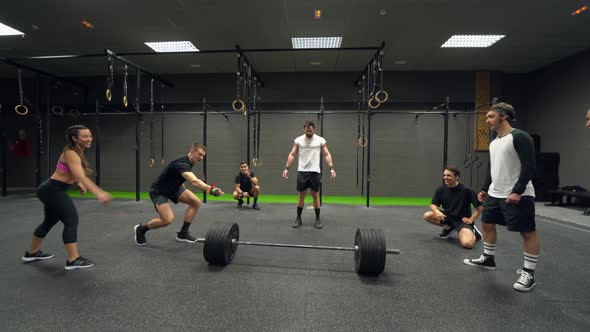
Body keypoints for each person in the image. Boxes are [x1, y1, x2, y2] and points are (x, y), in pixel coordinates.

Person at [463, 102, 539, 292]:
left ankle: (528, 273)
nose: (487, 120)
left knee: (527, 232)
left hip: (518, 194)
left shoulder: (520, 137)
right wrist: (485, 188)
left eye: (490, 117)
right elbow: (492, 168)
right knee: (487, 224)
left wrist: (517, 190)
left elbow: (530, 166)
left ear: (503, 116)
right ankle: (488, 259)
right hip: (495, 194)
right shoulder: (495, 141)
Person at [21, 125, 112, 270]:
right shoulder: (71, 153)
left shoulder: (77, 152)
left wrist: (80, 183)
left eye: (90, 135)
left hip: (51, 189)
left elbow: (72, 173)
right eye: (85, 136)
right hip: (53, 190)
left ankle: (32, 252)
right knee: (71, 220)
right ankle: (73, 260)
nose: (89, 139)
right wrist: (98, 192)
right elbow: (79, 175)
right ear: (75, 138)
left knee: (49, 222)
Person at [134, 143, 224, 246]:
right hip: (159, 191)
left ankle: (183, 234)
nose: (201, 158)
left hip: (175, 188)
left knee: (195, 202)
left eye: (203, 155)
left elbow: (179, 175)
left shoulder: (189, 162)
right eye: (200, 154)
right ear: (192, 151)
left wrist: (182, 187)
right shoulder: (182, 163)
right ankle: (141, 230)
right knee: (167, 220)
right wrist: (211, 189)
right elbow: (194, 181)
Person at [282, 120, 336, 229]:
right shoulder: (299, 140)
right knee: (301, 195)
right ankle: (298, 218)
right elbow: (292, 154)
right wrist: (286, 168)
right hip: (302, 171)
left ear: (313, 130)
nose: (308, 133)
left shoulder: (320, 140)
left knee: (315, 196)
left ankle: (317, 219)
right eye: (307, 131)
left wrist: (331, 168)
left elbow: (326, 154)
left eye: (310, 131)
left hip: (315, 172)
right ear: (304, 130)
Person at [423, 166, 483, 248]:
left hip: (462, 221)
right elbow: (433, 205)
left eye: (449, 175)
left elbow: (480, 208)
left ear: (457, 177)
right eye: (444, 175)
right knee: (427, 215)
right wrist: (437, 212)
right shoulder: (441, 189)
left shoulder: (467, 190)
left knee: (467, 244)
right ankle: (449, 228)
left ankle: (474, 232)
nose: (445, 177)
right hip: (448, 217)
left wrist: (470, 220)